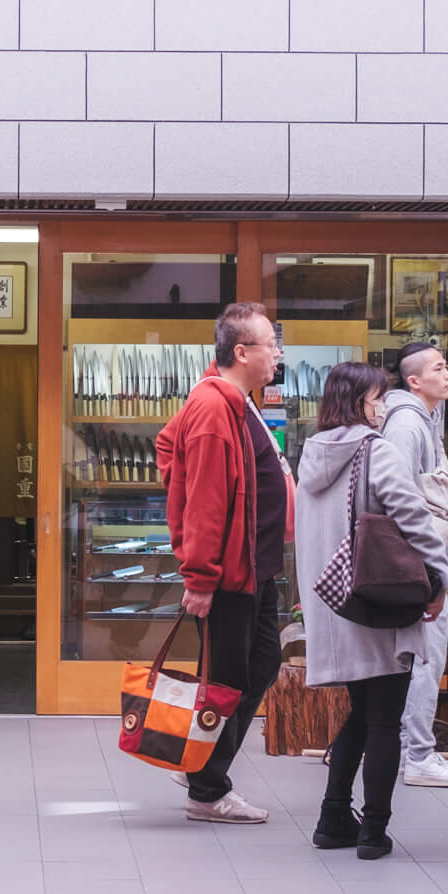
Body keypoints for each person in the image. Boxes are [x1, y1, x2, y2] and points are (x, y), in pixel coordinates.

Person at [297, 362, 448, 860]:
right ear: (361, 402)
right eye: (377, 398)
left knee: (362, 712)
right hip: (378, 599)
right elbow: (413, 518)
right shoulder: (375, 451)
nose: (383, 407)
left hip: (334, 602)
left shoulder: (312, 453)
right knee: (384, 717)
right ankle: (374, 830)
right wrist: (439, 578)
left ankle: (333, 816)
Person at [155, 302, 293, 825]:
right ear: (242, 352)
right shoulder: (215, 406)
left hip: (255, 569)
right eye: (269, 345)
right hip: (230, 575)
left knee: (259, 666)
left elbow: (168, 444)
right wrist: (201, 576)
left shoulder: (239, 402)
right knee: (228, 679)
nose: (277, 354)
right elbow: (208, 498)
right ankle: (207, 788)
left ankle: (201, 766)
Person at [381, 341, 448, 788]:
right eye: (440, 367)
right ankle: (417, 754)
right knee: (425, 655)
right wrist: (426, 569)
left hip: (421, 560)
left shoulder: (426, 418)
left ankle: (409, 750)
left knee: (420, 656)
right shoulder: (407, 425)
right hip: (417, 563)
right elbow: (398, 497)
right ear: (414, 380)